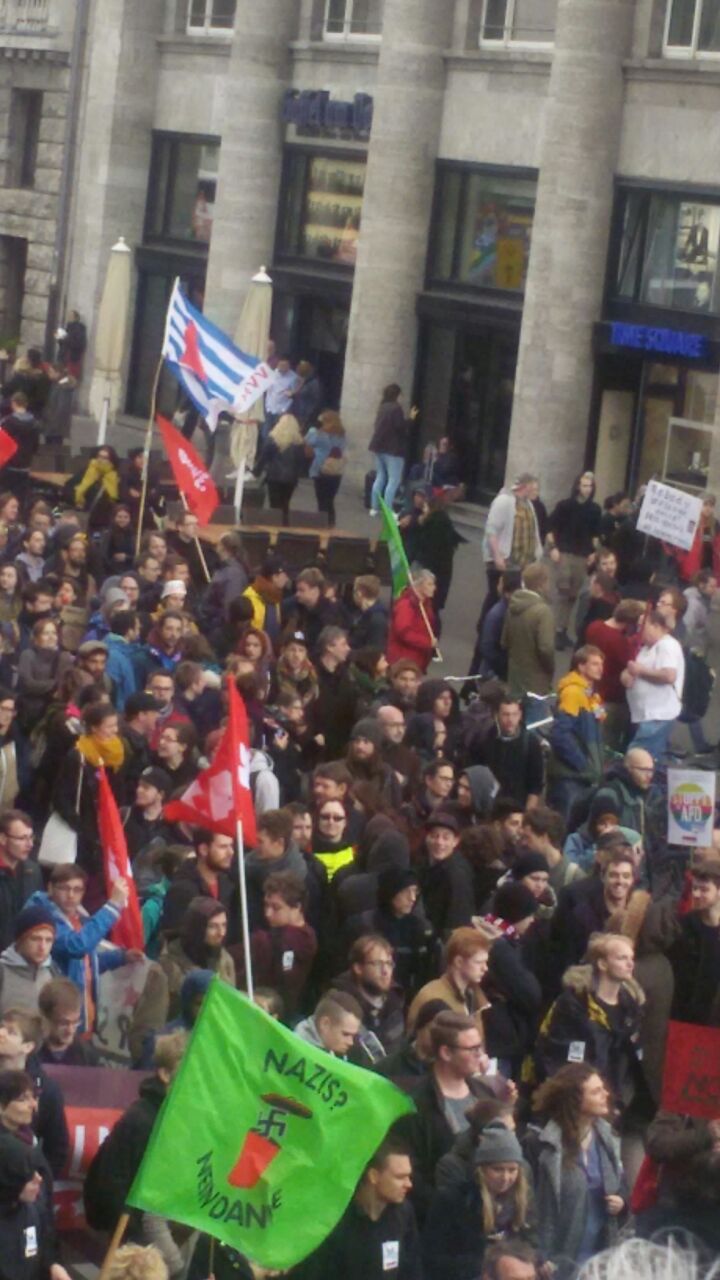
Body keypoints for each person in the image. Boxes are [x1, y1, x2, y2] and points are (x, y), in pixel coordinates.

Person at [83, 1031, 187, 1273]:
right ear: (164, 1073)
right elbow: (114, 1187)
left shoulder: (174, 1116)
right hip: (138, 1236)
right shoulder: (143, 1121)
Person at [398, 1010, 499, 1220]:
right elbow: (413, 1172)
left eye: (479, 1047)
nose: (479, 1055)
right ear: (445, 1052)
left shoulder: (484, 1093)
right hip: (441, 1219)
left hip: (491, 1213)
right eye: (471, 1049)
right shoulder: (417, 1103)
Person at [528, 1065, 626, 1277]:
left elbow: (621, 1185)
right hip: (558, 1257)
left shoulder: (607, 1138)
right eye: (596, 1091)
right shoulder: (543, 1144)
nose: (606, 1094)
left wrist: (621, 1201)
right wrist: (539, 1254)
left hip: (600, 1254)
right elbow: (533, 1205)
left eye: (603, 1088)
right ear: (574, 1100)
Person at [533, 933, 643, 1109]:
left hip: (614, 1101)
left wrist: (622, 1098)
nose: (630, 964)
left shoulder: (631, 1006)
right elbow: (557, 1055)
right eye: (622, 958)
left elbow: (630, 1059)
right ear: (602, 964)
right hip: (575, 1100)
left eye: (631, 958)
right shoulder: (574, 1005)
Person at [292, 1137, 422, 1280]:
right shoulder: (337, 1220)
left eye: (409, 1176)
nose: (408, 1184)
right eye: (400, 1177)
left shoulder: (403, 1214)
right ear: (373, 1176)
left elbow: (411, 1269)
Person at [27, 864, 135, 1032]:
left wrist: (121, 957)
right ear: (50, 888)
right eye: (65, 888)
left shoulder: (79, 918)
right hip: (57, 1021)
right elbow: (76, 947)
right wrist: (112, 907)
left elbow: (84, 965)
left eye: (77, 890)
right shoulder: (44, 918)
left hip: (82, 1019)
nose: (71, 895)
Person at [423, 1123, 536, 1280]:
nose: (506, 1177)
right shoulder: (452, 1200)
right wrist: (485, 1263)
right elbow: (433, 1257)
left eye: (512, 1170)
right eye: (498, 1169)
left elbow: (532, 1241)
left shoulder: (524, 1200)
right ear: (481, 1169)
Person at [0, 1124, 70, 1280]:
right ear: (8, 1179)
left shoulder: (32, 1212)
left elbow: (39, 1252)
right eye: (28, 1174)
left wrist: (51, 1267)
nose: (39, 1179)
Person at [547, 645, 606, 820]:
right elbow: (560, 735)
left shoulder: (590, 696)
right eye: (594, 664)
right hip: (570, 776)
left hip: (581, 776)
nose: (600, 668)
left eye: (601, 664)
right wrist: (584, 766)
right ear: (581, 666)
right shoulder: (573, 693)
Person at [546, 472, 602, 650]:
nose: (587, 489)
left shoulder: (595, 509)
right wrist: (553, 548)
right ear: (577, 486)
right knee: (563, 590)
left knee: (572, 595)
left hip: (582, 555)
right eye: (584, 485)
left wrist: (594, 552)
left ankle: (561, 630)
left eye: (590, 486)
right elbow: (550, 526)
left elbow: (595, 534)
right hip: (565, 552)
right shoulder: (565, 505)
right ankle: (555, 630)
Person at [407, 925, 495, 1035]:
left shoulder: (473, 995)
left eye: (485, 962)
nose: (485, 968)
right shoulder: (433, 998)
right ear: (458, 962)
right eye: (478, 962)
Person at [622, 609, 685, 761]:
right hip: (646, 715)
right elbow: (632, 670)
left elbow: (669, 675)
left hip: (657, 715)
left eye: (642, 626)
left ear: (656, 626)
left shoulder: (667, 645)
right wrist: (625, 676)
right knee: (650, 758)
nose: (639, 631)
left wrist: (640, 671)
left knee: (637, 758)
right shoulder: (646, 648)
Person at [158, 898, 234, 1019]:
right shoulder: (169, 963)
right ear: (197, 928)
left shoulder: (225, 959)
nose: (221, 933)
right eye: (213, 926)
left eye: (224, 925)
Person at [333, 934, 405, 1061]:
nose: (385, 971)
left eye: (389, 964)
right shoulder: (338, 1006)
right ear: (358, 968)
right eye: (378, 964)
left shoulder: (396, 1002)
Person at [480, 474, 542, 622]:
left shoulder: (529, 505)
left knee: (511, 599)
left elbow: (533, 531)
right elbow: (491, 530)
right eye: (534, 489)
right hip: (504, 561)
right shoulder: (504, 502)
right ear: (524, 487)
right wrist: (497, 556)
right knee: (496, 596)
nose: (536, 493)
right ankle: (485, 626)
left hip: (521, 563)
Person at [669, 853, 720, 1026]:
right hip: (686, 1016)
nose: (696, 894)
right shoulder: (683, 925)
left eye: (704, 890)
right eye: (694, 888)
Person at [469, 695, 544, 809]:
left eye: (514, 714)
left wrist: (527, 815)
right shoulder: (484, 739)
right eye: (506, 714)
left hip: (517, 806)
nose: (510, 720)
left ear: (520, 715)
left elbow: (535, 785)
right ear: (496, 715)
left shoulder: (530, 743)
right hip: (489, 806)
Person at [160, 829, 235, 935]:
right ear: (203, 849)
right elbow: (175, 935)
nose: (231, 852)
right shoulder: (182, 890)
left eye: (231, 846)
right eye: (223, 847)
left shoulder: (227, 884)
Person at [502, 563, 555, 698]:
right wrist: (549, 669)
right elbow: (546, 648)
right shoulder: (543, 612)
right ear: (541, 584)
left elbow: (504, 642)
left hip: (515, 678)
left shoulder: (512, 606)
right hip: (536, 681)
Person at [419, 811, 475, 937]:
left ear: (455, 841)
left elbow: (458, 920)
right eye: (434, 836)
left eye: (446, 837)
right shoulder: (424, 864)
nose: (439, 842)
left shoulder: (457, 875)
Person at [368, 384, 419, 516]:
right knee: (393, 480)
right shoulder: (396, 409)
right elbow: (400, 427)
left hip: (379, 447)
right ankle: (388, 509)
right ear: (397, 395)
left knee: (380, 477)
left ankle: (374, 507)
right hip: (393, 449)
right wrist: (411, 419)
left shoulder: (382, 407)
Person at [0, 906, 58, 1016]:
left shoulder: (52, 972)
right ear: (20, 940)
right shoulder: (3, 972)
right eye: (35, 939)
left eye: (48, 940)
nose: (42, 947)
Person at [0, 811, 42, 954]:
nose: (30, 844)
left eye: (31, 837)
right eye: (22, 838)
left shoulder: (33, 871)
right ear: (3, 839)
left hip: (23, 957)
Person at [36, 977, 103, 1066]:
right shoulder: (29, 1054)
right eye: (64, 1023)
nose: (70, 1030)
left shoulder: (87, 1055)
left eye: (75, 1022)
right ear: (46, 1018)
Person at [256, 413, 305, 524]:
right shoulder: (299, 443)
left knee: (274, 504)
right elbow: (301, 462)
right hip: (291, 479)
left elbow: (264, 458)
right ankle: (285, 525)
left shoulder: (273, 440)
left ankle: (275, 527)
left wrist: (256, 472)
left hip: (274, 477)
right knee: (285, 503)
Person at [387, 570, 438, 674]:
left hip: (416, 660)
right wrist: (427, 642)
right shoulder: (406, 605)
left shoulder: (425, 605)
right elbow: (404, 632)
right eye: (429, 584)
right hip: (403, 660)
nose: (434, 588)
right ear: (419, 585)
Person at [305, 410, 347, 526]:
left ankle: (322, 525)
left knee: (321, 500)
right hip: (336, 470)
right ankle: (331, 523)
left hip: (321, 469)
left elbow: (307, 442)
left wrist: (311, 430)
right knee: (330, 500)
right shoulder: (341, 435)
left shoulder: (319, 435)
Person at [294, 989, 363, 1057]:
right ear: (325, 1024)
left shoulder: (334, 1052)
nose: (351, 1042)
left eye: (353, 1036)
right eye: (345, 1034)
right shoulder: (295, 1049)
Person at [0, 392, 40, 501]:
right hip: (25, 466)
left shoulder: (7, 422)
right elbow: (35, 447)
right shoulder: (35, 424)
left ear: (13, 403)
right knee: (20, 497)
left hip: (8, 466)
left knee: (4, 497)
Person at [350, 575, 390, 652]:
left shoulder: (377, 618)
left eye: (354, 591)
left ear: (359, 593)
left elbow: (374, 650)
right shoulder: (366, 614)